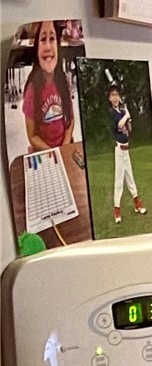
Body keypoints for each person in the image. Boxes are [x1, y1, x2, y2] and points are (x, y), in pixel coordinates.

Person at [19, 19, 89, 230]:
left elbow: (70, 119)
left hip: (65, 151)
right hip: (43, 156)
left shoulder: (63, 82)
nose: (48, 46)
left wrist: (66, 145)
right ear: (36, 48)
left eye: (52, 39)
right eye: (43, 39)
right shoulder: (32, 90)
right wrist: (53, 152)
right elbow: (32, 136)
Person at [105, 78, 145, 225]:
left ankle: (137, 203)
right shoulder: (112, 113)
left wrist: (129, 120)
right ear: (109, 99)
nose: (115, 98)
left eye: (117, 95)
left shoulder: (122, 111)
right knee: (119, 180)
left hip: (126, 150)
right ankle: (117, 209)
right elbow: (119, 124)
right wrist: (126, 116)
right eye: (112, 95)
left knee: (130, 178)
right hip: (118, 150)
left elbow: (128, 129)